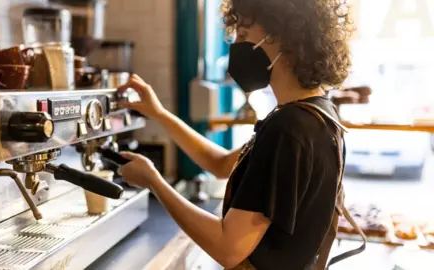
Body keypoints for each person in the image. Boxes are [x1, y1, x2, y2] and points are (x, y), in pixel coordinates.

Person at [116, 0, 354, 269]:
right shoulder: (318, 112)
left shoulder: (289, 128)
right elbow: (220, 164)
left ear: (282, 37)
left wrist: (154, 182)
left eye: (243, 35)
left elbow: (227, 247)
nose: (236, 46)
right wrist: (158, 113)